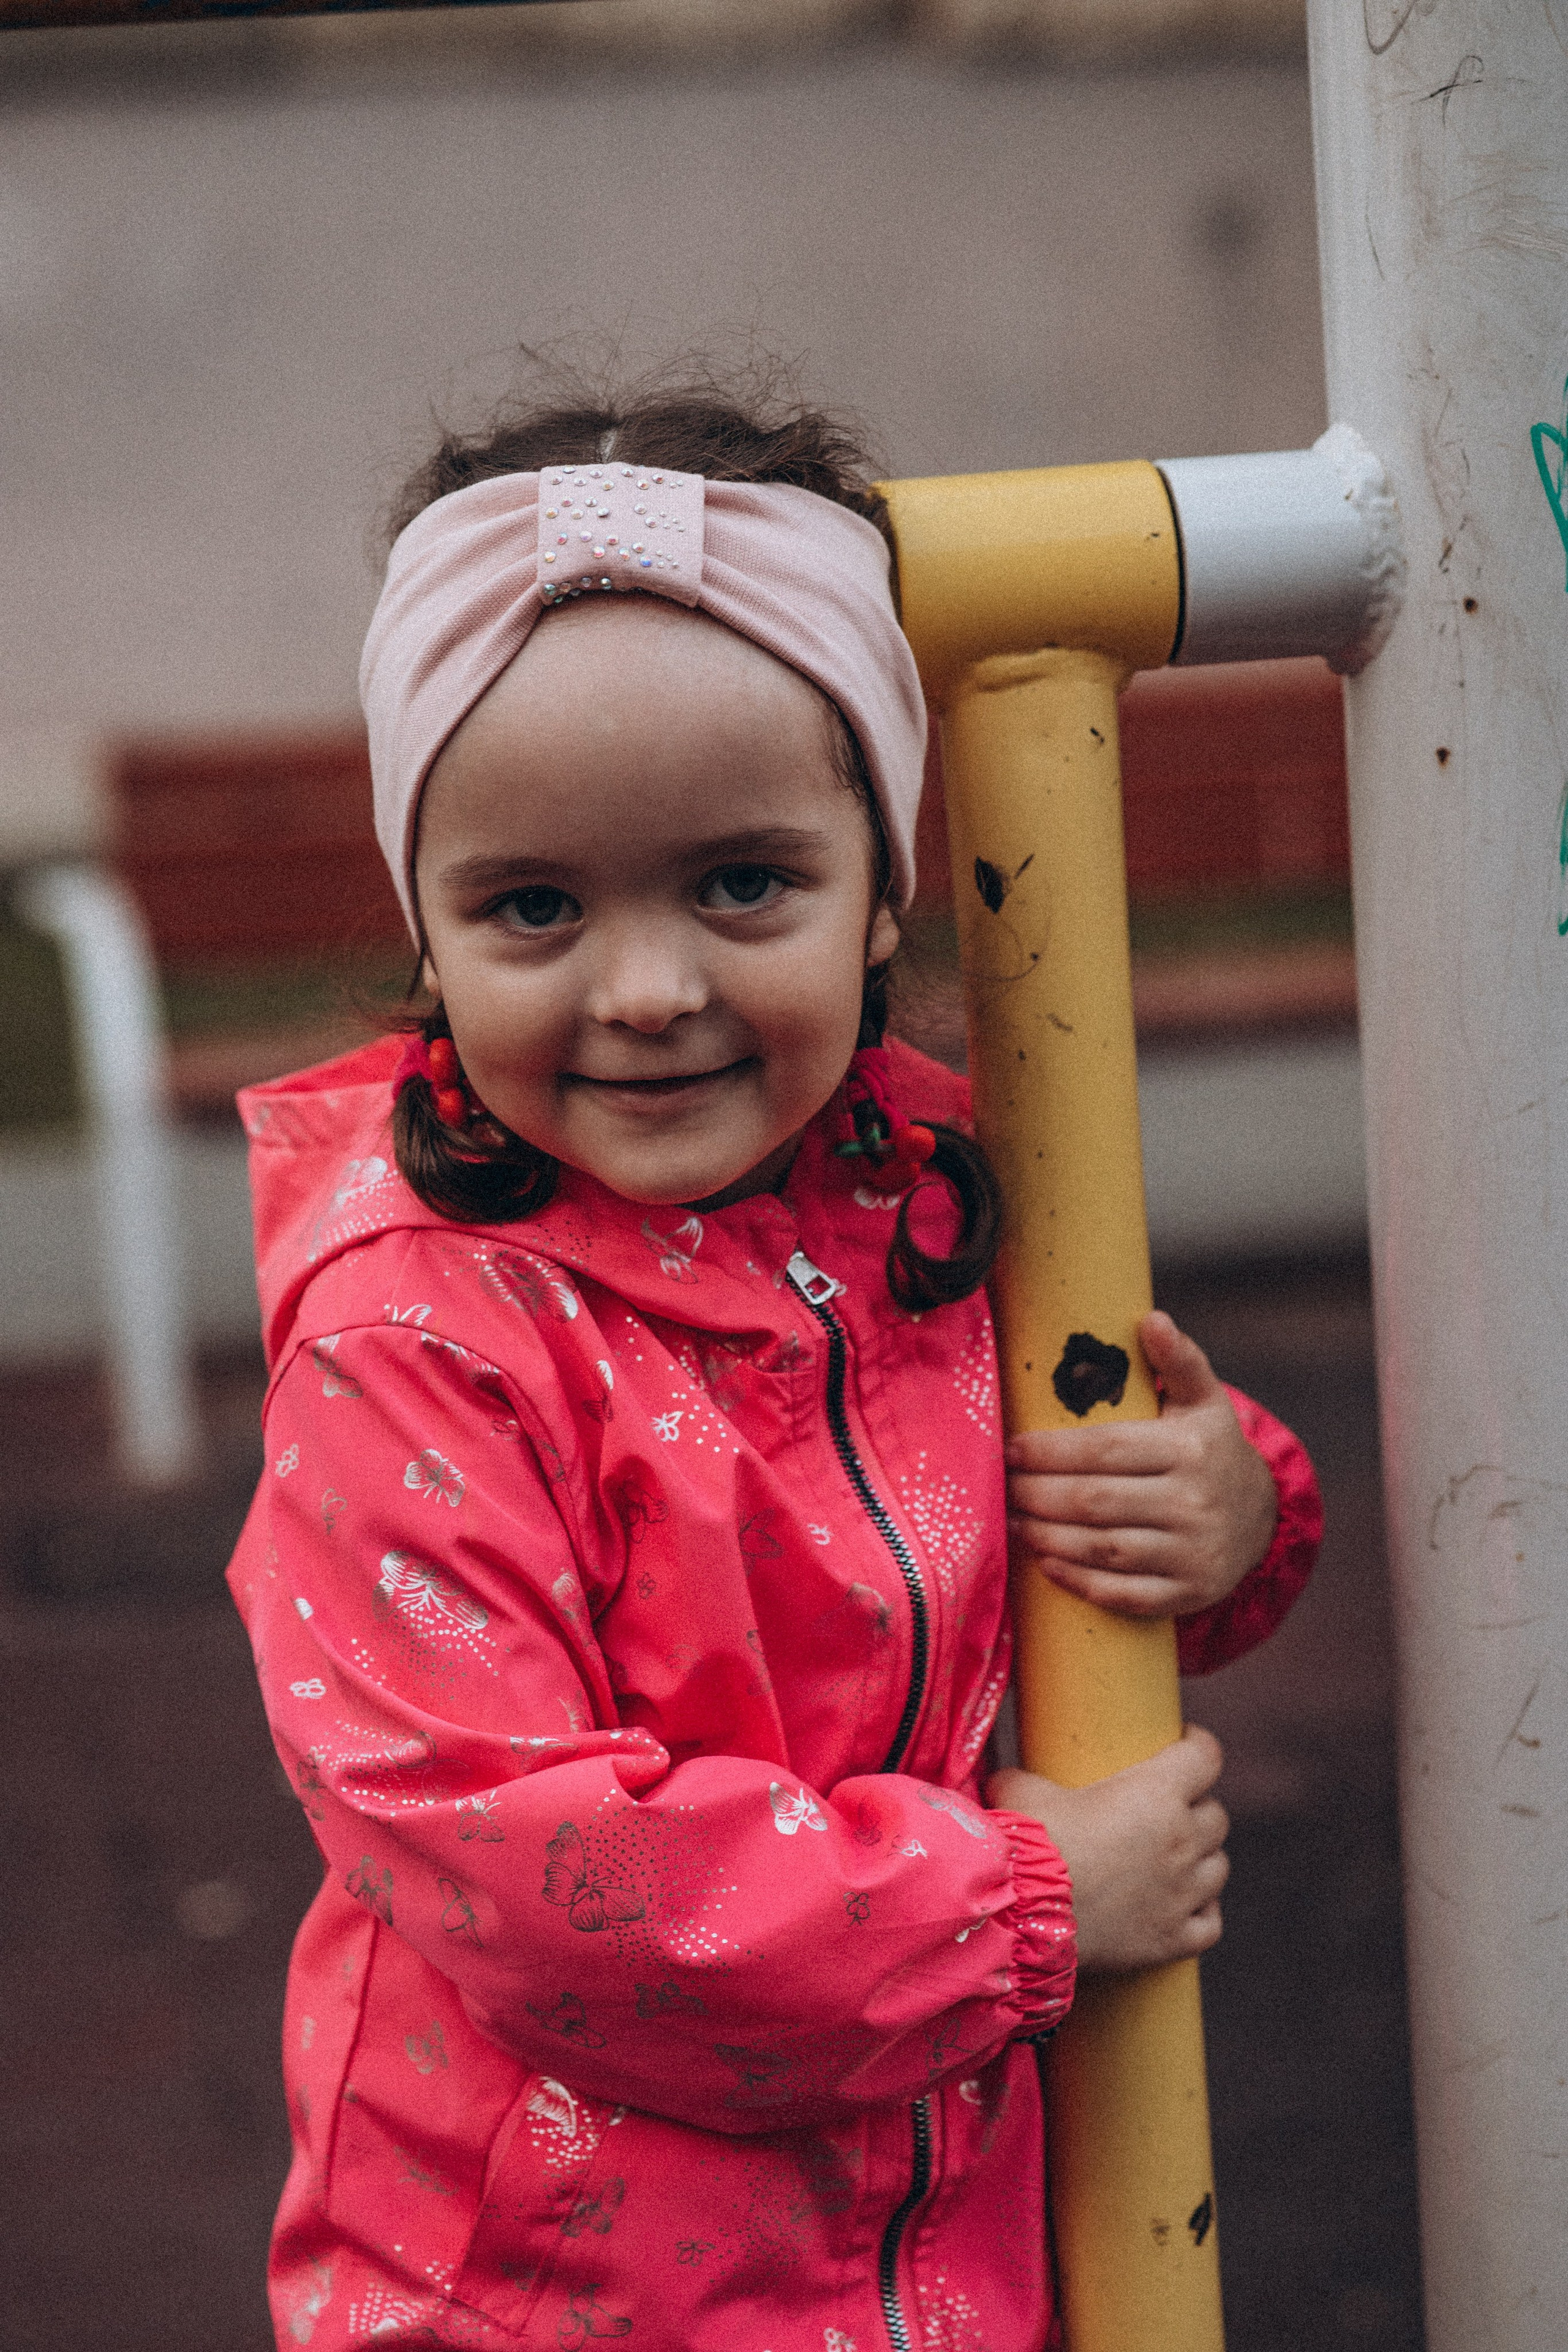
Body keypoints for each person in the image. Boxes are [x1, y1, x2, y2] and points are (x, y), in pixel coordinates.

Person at [227, 379, 1321, 2352]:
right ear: (430, 932)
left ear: (885, 881)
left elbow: (1059, 1571)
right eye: (535, 907)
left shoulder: (952, 1201)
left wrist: (1227, 1505)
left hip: (935, 2268)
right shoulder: (416, 1339)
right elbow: (541, 1873)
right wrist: (1021, 1905)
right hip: (546, 2298)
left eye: (742, 883)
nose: (647, 991)